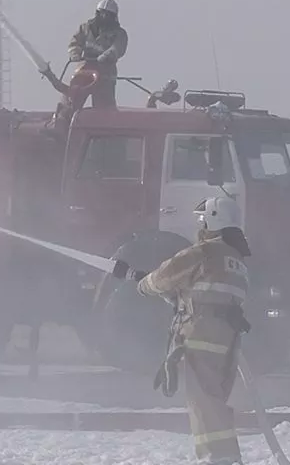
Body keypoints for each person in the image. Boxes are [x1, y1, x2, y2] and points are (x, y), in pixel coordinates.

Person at [111, 196, 251, 465]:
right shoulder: (237, 261)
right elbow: (208, 295)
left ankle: (215, 459)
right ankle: (227, 457)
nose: (200, 226)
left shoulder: (204, 252)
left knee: (203, 403)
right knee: (215, 400)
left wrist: (140, 282)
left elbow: (164, 276)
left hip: (201, 336)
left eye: (202, 219)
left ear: (213, 220)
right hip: (227, 341)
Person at [66, 0, 129, 108]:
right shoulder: (85, 28)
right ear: (97, 13)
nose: (104, 17)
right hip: (84, 71)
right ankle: (65, 118)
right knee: (72, 98)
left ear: (113, 17)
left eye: (108, 15)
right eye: (102, 14)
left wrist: (107, 55)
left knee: (104, 108)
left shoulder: (119, 33)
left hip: (105, 75)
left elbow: (118, 48)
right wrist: (75, 54)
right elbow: (75, 43)